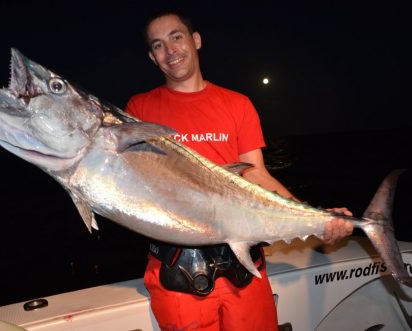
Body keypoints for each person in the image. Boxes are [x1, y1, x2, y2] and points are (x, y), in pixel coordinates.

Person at [125, 10, 353, 331]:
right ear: (152, 56)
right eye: (159, 45)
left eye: (177, 37)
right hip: (178, 270)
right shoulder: (140, 109)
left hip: (244, 265)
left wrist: (317, 219)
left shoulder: (237, 104)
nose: (170, 50)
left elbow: (256, 175)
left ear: (196, 40)